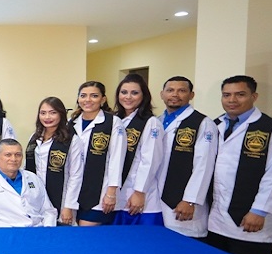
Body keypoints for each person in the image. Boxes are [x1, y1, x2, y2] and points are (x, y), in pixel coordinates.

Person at [207, 75, 272, 254]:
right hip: (215, 219)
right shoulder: (214, 125)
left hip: (250, 221)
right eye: (226, 95)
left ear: (254, 96)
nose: (232, 100)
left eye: (240, 94)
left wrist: (259, 210)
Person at [157, 76, 217, 238]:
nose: (175, 94)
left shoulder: (202, 123)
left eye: (182, 91)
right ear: (162, 94)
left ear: (191, 95)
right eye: (170, 90)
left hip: (183, 202)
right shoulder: (157, 122)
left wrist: (190, 200)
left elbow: (204, 165)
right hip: (156, 200)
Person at [70, 81, 126, 226]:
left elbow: (117, 159)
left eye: (94, 96)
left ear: (103, 99)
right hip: (74, 191)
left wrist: (111, 193)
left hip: (100, 192)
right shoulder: (70, 123)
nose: (87, 100)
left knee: (86, 233)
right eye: (83, 96)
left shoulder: (113, 122)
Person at [113, 74, 166, 225]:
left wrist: (139, 192)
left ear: (144, 96)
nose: (128, 97)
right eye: (124, 92)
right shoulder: (116, 120)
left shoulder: (151, 123)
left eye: (134, 93)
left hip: (138, 196)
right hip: (118, 195)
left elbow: (150, 161)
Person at [0, 139, 57, 227]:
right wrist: (10, 231)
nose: (13, 159)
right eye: (8, 155)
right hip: (4, 233)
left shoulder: (33, 178)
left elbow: (48, 210)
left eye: (18, 155)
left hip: (37, 232)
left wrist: (48, 228)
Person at [24, 97, 84, 225]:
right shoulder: (34, 137)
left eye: (53, 112)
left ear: (61, 114)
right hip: (36, 197)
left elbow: (76, 175)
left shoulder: (71, 140)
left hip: (61, 199)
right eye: (43, 113)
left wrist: (68, 206)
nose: (47, 117)